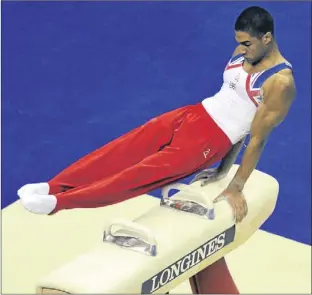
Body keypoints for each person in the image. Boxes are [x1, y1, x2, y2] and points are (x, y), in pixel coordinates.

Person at [17, 6, 295, 294]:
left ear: (267, 38)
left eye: (248, 43)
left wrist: (235, 184)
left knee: (136, 176)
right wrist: (223, 169)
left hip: (208, 142)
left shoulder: (280, 82)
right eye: (239, 41)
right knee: (119, 150)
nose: (241, 48)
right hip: (193, 113)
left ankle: (59, 204)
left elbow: (256, 137)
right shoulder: (241, 53)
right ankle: (52, 188)